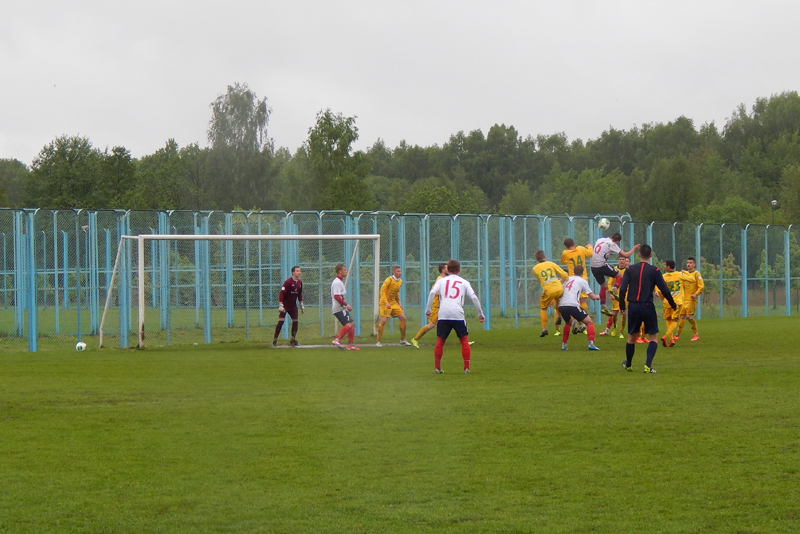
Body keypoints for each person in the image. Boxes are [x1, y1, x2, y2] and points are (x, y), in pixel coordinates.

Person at [618, 244, 677, 373]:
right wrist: (673, 304)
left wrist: (622, 306)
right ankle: (647, 365)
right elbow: (664, 290)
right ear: (651, 255)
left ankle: (629, 364)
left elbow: (622, 289)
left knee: (631, 337)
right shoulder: (654, 270)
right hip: (647, 306)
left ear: (639, 255)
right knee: (653, 337)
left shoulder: (629, 269)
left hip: (633, 306)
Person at [426, 259, 485, 374]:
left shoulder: (441, 281)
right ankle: (466, 368)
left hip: (443, 313)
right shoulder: (464, 282)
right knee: (464, 341)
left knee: (440, 341)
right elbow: (474, 297)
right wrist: (480, 313)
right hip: (457, 313)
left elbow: (432, 292)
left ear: (447, 270)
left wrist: (428, 309)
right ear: (459, 270)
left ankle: (437, 368)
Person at [590, 232, 639, 314]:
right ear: (617, 242)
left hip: (593, 267)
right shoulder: (612, 244)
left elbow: (600, 251)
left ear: (611, 236)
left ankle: (603, 305)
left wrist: (609, 252)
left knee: (603, 286)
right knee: (620, 276)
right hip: (602, 265)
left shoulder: (600, 240)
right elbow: (625, 255)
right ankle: (615, 288)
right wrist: (634, 249)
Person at [558, 265, 601, 351]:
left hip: (561, 305)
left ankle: (564, 345)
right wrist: (598, 297)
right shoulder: (582, 281)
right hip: (572, 304)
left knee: (568, 323)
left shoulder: (567, 279)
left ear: (573, 271)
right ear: (583, 272)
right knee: (589, 322)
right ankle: (591, 344)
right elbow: (592, 296)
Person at [533, 250, 569, 337]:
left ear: (537, 259)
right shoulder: (551, 264)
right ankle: (559, 315)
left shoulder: (535, 269)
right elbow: (564, 275)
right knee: (557, 298)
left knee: (543, 308)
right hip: (559, 288)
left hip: (548, 290)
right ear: (545, 257)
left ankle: (544, 329)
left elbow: (540, 280)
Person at [656, 260, 692, 347]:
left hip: (667, 302)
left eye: (665, 265)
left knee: (668, 320)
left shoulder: (664, 276)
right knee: (674, 320)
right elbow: (692, 279)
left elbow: (657, 285)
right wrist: (685, 272)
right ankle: (665, 336)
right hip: (677, 302)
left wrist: (657, 291)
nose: (664, 266)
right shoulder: (679, 274)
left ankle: (671, 340)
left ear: (668, 267)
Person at [560, 238, 593, 334]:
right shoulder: (581, 249)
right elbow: (590, 254)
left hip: (571, 279)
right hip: (582, 278)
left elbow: (562, 262)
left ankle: (574, 321)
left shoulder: (565, 253)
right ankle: (583, 323)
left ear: (566, 246)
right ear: (574, 243)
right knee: (583, 301)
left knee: (573, 301)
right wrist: (590, 247)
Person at [411, 263, 448, 348]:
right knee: (431, 324)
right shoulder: (440, 279)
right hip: (437, 306)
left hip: (443, 306)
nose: (448, 269)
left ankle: (465, 341)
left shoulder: (445, 279)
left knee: (454, 321)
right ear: (443, 270)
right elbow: (435, 291)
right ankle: (415, 339)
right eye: (446, 268)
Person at [376, 265, 411, 347]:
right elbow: (382, 291)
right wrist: (386, 302)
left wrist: (399, 304)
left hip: (393, 303)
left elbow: (396, 293)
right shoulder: (389, 280)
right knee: (383, 321)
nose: (400, 273)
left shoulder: (400, 281)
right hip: (385, 303)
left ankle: (402, 340)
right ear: (394, 272)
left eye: (400, 271)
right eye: (398, 271)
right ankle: (378, 341)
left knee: (403, 318)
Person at [272, 266, 304, 347]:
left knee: (295, 322)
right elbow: (282, 293)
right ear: (293, 272)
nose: (299, 272)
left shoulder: (299, 282)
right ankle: (275, 339)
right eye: (297, 271)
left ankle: (293, 339)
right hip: (285, 305)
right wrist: (281, 305)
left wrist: (301, 304)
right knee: (281, 321)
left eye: (300, 271)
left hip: (293, 306)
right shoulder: (288, 282)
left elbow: (299, 294)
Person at [330, 263, 359, 350]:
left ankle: (350, 345)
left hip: (341, 308)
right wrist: (346, 305)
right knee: (350, 324)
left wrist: (345, 306)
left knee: (351, 324)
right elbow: (336, 296)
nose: (346, 271)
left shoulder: (339, 282)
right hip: (338, 308)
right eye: (344, 270)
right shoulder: (337, 282)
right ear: (339, 271)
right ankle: (337, 340)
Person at [675, 257, 704, 341]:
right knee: (682, 316)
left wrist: (696, 294)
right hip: (684, 299)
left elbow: (701, 286)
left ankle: (696, 334)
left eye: (691, 263)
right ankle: (677, 335)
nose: (689, 264)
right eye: (688, 262)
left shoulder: (696, 274)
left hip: (692, 299)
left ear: (694, 264)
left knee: (688, 316)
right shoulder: (685, 274)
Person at [599, 256, 628, 338]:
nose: (622, 261)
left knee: (623, 313)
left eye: (623, 259)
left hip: (625, 295)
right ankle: (613, 327)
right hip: (616, 295)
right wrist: (611, 293)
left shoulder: (628, 270)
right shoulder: (614, 270)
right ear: (618, 261)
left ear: (625, 261)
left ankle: (621, 332)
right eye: (620, 259)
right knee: (614, 313)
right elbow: (609, 283)